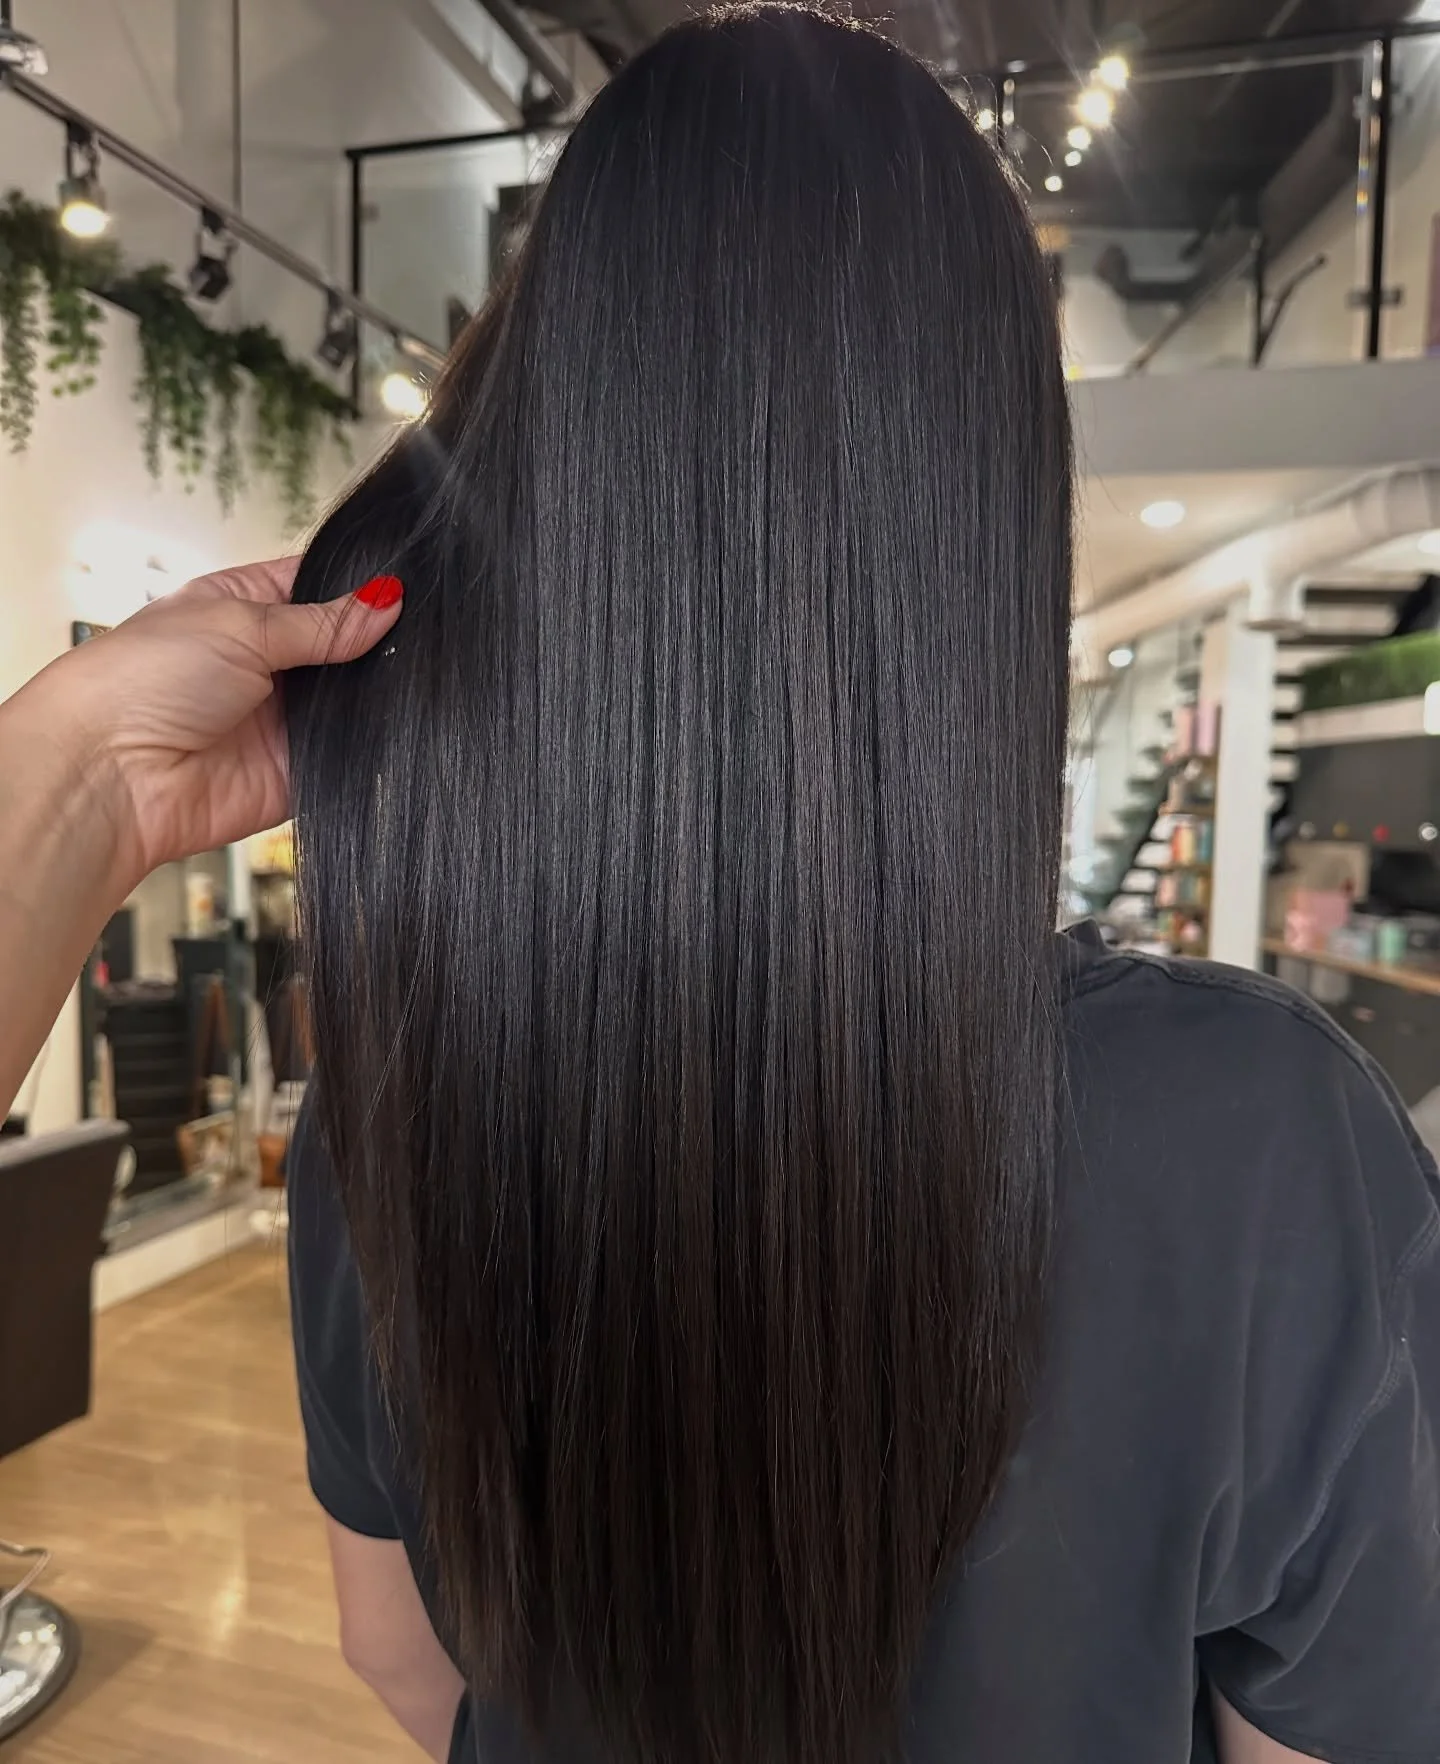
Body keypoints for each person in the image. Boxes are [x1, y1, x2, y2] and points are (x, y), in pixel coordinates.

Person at [2, 10, 1439, 1764]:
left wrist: (68, 786)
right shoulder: (1270, 1136)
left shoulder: (400, 1095)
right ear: (988, 530)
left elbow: (399, 1653)